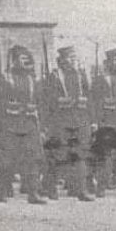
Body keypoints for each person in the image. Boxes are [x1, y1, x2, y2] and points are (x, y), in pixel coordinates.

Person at [43, 46, 94, 202]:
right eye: (70, 58)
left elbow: (89, 97)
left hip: (80, 120)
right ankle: (50, 187)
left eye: (74, 58)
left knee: (81, 155)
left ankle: (81, 190)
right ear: (62, 60)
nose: (73, 61)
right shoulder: (54, 76)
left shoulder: (81, 75)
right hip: (61, 121)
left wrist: (91, 120)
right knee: (58, 154)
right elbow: (47, 99)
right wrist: (59, 102)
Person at [0, 45, 46, 205]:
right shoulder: (5, 79)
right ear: (14, 61)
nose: (26, 62)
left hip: (29, 124)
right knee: (7, 159)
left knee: (32, 159)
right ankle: (3, 190)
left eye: (27, 59)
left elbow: (40, 102)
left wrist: (40, 121)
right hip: (10, 125)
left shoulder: (33, 80)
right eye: (22, 59)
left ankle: (33, 192)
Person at [90, 49, 116, 199]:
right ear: (108, 63)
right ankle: (101, 187)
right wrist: (95, 122)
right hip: (106, 125)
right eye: (115, 60)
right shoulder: (100, 80)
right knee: (106, 157)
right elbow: (93, 102)